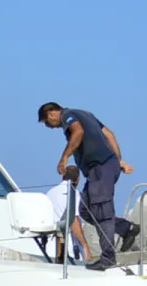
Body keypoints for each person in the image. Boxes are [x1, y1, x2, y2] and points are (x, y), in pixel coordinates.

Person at [38, 102, 135, 270]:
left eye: (47, 123)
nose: (50, 127)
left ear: (52, 113)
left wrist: (64, 157)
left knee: (101, 210)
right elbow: (110, 135)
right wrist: (118, 160)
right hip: (99, 169)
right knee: (86, 210)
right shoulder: (85, 114)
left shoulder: (69, 117)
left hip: (101, 167)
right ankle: (126, 228)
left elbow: (78, 131)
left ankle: (108, 259)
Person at [44, 165, 92, 263]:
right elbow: (73, 220)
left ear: (63, 177)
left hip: (49, 246)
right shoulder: (74, 193)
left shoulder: (50, 192)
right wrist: (85, 246)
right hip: (67, 249)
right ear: (77, 179)